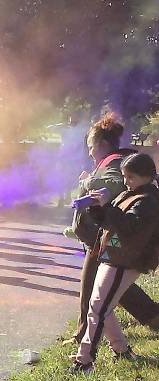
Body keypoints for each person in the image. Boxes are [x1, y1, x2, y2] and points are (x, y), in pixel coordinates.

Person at [69, 113, 159, 347]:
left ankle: (85, 345)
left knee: (94, 291)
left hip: (110, 238)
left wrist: (88, 182)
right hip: (104, 237)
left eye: (91, 146)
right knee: (109, 291)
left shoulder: (115, 163)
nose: (89, 152)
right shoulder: (110, 162)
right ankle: (151, 319)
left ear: (102, 144)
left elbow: (109, 187)